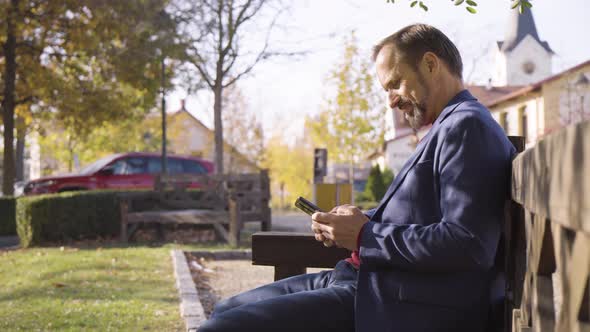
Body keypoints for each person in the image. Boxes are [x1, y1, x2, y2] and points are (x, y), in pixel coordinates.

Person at [197, 23, 516, 332]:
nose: (391, 99)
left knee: (221, 327)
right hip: (363, 279)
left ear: (431, 64)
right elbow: (425, 218)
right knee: (226, 309)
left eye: (395, 83)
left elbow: (468, 245)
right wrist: (354, 223)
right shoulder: (450, 126)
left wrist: (365, 235)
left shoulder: (467, 127)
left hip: (393, 301)